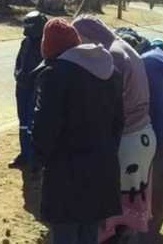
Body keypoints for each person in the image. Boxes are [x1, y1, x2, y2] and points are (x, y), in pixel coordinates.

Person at [32, 18, 123, 244]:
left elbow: (44, 130)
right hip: (102, 170)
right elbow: (119, 123)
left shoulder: (55, 74)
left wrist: (39, 160)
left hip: (66, 174)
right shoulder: (110, 72)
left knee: (64, 235)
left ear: (49, 48)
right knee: (89, 234)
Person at [72, 15, 155, 242]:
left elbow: (108, 105)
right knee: (132, 194)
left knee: (112, 199)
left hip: (127, 138)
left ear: (89, 36)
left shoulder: (112, 56)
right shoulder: (125, 47)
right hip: (144, 135)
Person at [138, 42, 163, 242]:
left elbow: (159, 108)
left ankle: (146, 237)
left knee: (156, 190)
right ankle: (152, 234)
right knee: (161, 191)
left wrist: (156, 144)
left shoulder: (148, 63)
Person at [10, 11, 47, 170]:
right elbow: (19, 62)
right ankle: (24, 154)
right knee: (23, 122)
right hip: (22, 88)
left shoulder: (47, 43)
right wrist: (18, 75)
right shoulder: (26, 42)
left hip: (37, 89)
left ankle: (35, 158)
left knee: (35, 123)